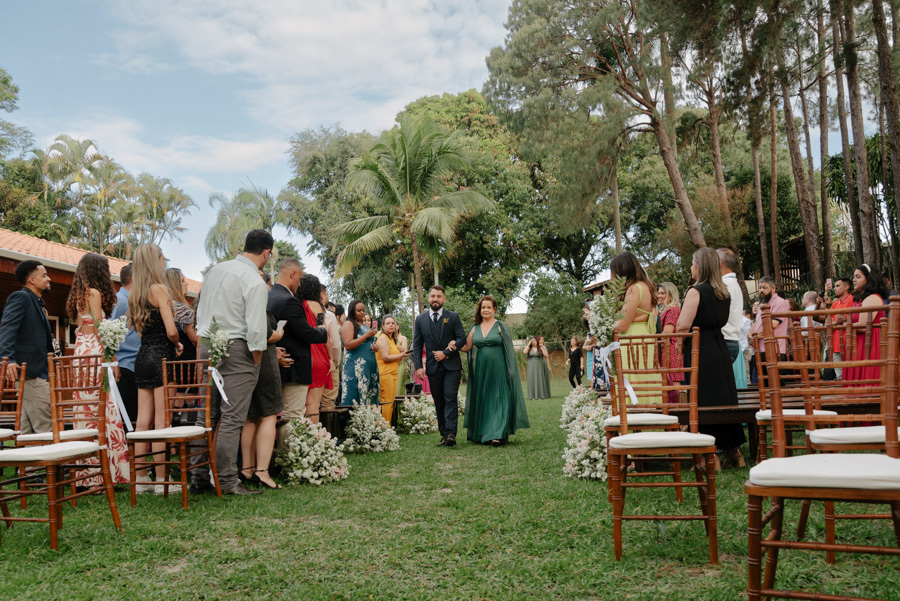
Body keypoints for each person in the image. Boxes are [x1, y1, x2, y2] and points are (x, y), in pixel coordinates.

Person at [191, 230, 272, 496]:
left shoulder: (215, 270)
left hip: (207, 344)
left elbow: (201, 309)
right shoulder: (255, 281)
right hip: (237, 349)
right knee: (232, 417)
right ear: (266, 253)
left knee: (207, 416)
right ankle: (226, 481)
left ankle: (200, 477)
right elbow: (257, 330)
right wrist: (255, 359)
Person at [677, 248, 746, 469]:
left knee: (704, 398)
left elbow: (683, 325)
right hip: (719, 346)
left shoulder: (695, 291)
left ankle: (711, 455)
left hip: (700, 347)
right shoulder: (723, 292)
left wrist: (678, 343)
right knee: (724, 397)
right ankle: (734, 451)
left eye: (692, 263)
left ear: (700, 266)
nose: (690, 268)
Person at [66, 253, 130, 486]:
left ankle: (88, 475)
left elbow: (81, 327)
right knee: (100, 409)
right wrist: (112, 358)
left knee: (86, 409)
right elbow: (100, 327)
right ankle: (103, 475)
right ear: (97, 270)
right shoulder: (93, 293)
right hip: (94, 352)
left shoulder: (78, 295)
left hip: (81, 353)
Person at [129, 244, 184, 492]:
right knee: (162, 422)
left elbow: (141, 334)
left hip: (142, 358)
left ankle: (141, 479)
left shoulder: (135, 294)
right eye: (163, 259)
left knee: (142, 423)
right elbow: (171, 330)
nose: (164, 263)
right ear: (155, 261)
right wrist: (177, 343)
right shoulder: (159, 289)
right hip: (161, 357)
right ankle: (163, 479)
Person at [267, 257, 328, 451]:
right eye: (299, 278)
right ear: (292, 273)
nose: (300, 284)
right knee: (292, 415)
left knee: (271, 416)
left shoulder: (268, 296)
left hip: (273, 361)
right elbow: (307, 333)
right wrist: (323, 330)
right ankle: (289, 458)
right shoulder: (290, 301)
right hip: (294, 365)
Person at [461, 295, 529, 446]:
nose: (485, 310)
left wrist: (511, 370)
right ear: (479, 309)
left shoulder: (500, 326)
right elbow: (466, 347)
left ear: (494, 309)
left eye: (488, 307)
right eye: (483, 307)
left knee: (499, 399)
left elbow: (509, 350)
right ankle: (484, 433)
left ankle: (497, 434)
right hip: (481, 370)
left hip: (499, 369)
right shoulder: (474, 328)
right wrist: (453, 343)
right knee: (484, 400)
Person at [240, 270, 285, 490]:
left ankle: (247, 468)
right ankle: (262, 471)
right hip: (264, 361)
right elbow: (266, 334)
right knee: (268, 416)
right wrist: (280, 333)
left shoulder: (240, 299)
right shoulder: (258, 300)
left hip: (246, 360)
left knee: (250, 416)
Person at [0, 260, 56, 434]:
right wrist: (8, 359)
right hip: (31, 372)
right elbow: (7, 328)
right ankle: (48, 461)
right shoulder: (21, 297)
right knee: (45, 429)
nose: (49, 279)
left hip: (36, 372)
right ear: (32, 280)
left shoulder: (37, 303)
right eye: (44, 275)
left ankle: (28, 462)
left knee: (27, 430)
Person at [412, 285, 466, 447]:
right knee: (439, 400)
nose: (435, 299)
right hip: (432, 367)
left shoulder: (453, 317)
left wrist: (446, 352)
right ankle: (444, 434)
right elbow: (417, 344)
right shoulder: (420, 319)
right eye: (433, 296)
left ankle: (450, 433)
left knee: (450, 398)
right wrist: (418, 367)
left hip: (452, 366)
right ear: (428, 298)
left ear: (444, 299)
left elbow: (462, 339)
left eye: (439, 296)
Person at [610, 252, 661, 403]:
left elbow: (623, 324)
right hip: (644, 336)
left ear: (622, 271)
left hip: (632, 339)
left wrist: (605, 325)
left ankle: (632, 419)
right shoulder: (646, 287)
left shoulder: (634, 289)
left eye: (613, 272)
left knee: (633, 379)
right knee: (643, 377)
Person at [295, 274, 333, 424]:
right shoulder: (316, 306)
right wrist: (330, 357)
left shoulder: (296, 305)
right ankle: (313, 439)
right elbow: (323, 333)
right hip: (318, 355)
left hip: (302, 355)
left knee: (300, 404)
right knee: (313, 404)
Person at [842, 264, 889, 383]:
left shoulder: (873, 298)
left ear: (869, 279)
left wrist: (843, 325)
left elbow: (863, 326)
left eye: (858, 277)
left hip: (869, 341)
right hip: (858, 341)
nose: (854, 280)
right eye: (853, 277)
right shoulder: (861, 299)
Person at [164, 267, 198, 425]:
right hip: (186, 362)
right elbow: (195, 338)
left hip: (171, 360)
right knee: (185, 400)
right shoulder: (182, 309)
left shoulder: (165, 307)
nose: (187, 284)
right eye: (183, 281)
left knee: (170, 403)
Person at [111, 264, 140, 424]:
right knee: (126, 419)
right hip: (123, 366)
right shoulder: (120, 300)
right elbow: (107, 330)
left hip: (134, 366)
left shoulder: (133, 301)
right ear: (133, 279)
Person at [340, 300, 381, 407]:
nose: (362, 313)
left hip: (369, 367)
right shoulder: (348, 324)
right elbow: (348, 345)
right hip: (355, 368)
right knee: (354, 397)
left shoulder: (364, 325)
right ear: (352, 311)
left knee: (370, 397)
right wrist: (366, 335)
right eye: (359, 310)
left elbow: (367, 342)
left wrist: (374, 346)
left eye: (363, 310)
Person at [717, 248, 746, 389]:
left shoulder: (725, 285)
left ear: (720, 263)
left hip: (724, 341)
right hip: (732, 340)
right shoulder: (734, 284)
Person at [375, 314, 411, 421]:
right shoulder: (383, 338)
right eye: (388, 323)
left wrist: (402, 353)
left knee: (391, 401)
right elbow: (386, 357)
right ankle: (385, 427)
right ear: (383, 326)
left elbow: (398, 360)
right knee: (386, 402)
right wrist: (401, 355)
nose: (391, 325)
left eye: (393, 323)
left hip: (394, 372)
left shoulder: (393, 339)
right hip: (385, 373)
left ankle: (388, 426)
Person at [750, 276, 790, 360]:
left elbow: (772, 324)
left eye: (764, 288)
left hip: (773, 347)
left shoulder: (779, 302)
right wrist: (750, 334)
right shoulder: (762, 304)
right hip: (759, 347)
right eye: (760, 288)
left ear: (773, 288)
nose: (761, 290)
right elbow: (757, 323)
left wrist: (755, 336)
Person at [657, 281, 683, 403]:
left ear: (671, 295)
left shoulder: (673, 310)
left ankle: (678, 412)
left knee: (674, 380)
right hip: (664, 349)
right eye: (658, 293)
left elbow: (667, 331)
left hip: (670, 349)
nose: (659, 296)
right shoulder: (663, 310)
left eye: (663, 293)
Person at [825, 277, 854, 379]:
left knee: (851, 375)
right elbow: (826, 324)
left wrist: (834, 323)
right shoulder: (835, 304)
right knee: (840, 377)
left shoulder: (853, 300)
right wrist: (837, 322)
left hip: (850, 344)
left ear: (847, 287)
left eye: (838, 286)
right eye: (835, 286)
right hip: (835, 345)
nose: (834, 288)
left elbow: (851, 320)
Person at [320, 289, 342, 411]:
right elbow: (335, 343)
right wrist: (335, 361)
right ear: (322, 295)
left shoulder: (303, 312)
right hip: (327, 360)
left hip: (309, 360)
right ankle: (325, 429)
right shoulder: (328, 315)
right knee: (328, 402)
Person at [740, 308, 752, 381]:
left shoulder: (745, 320)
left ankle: (747, 384)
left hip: (743, 348)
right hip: (733, 346)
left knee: (745, 370)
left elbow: (749, 335)